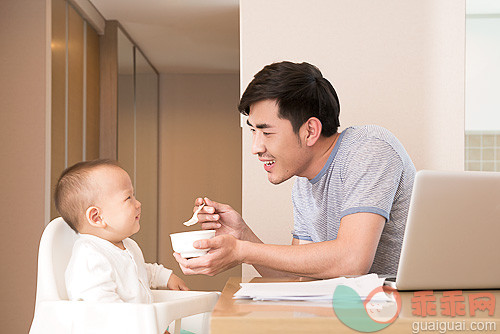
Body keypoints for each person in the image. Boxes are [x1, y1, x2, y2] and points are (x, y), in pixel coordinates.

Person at [174, 61, 416, 279]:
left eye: (267, 132)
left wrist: (242, 251)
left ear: (310, 130)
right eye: (253, 131)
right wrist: (242, 236)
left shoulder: (369, 149)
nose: (255, 148)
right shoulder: (303, 182)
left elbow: (352, 261)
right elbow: (297, 278)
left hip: (404, 314)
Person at [55, 159, 188, 303]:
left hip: (140, 323)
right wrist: (133, 322)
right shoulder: (90, 256)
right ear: (97, 217)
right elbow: (101, 304)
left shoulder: (127, 245)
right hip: (115, 325)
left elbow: (139, 271)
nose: (138, 203)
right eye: (128, 198)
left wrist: (166, 277)